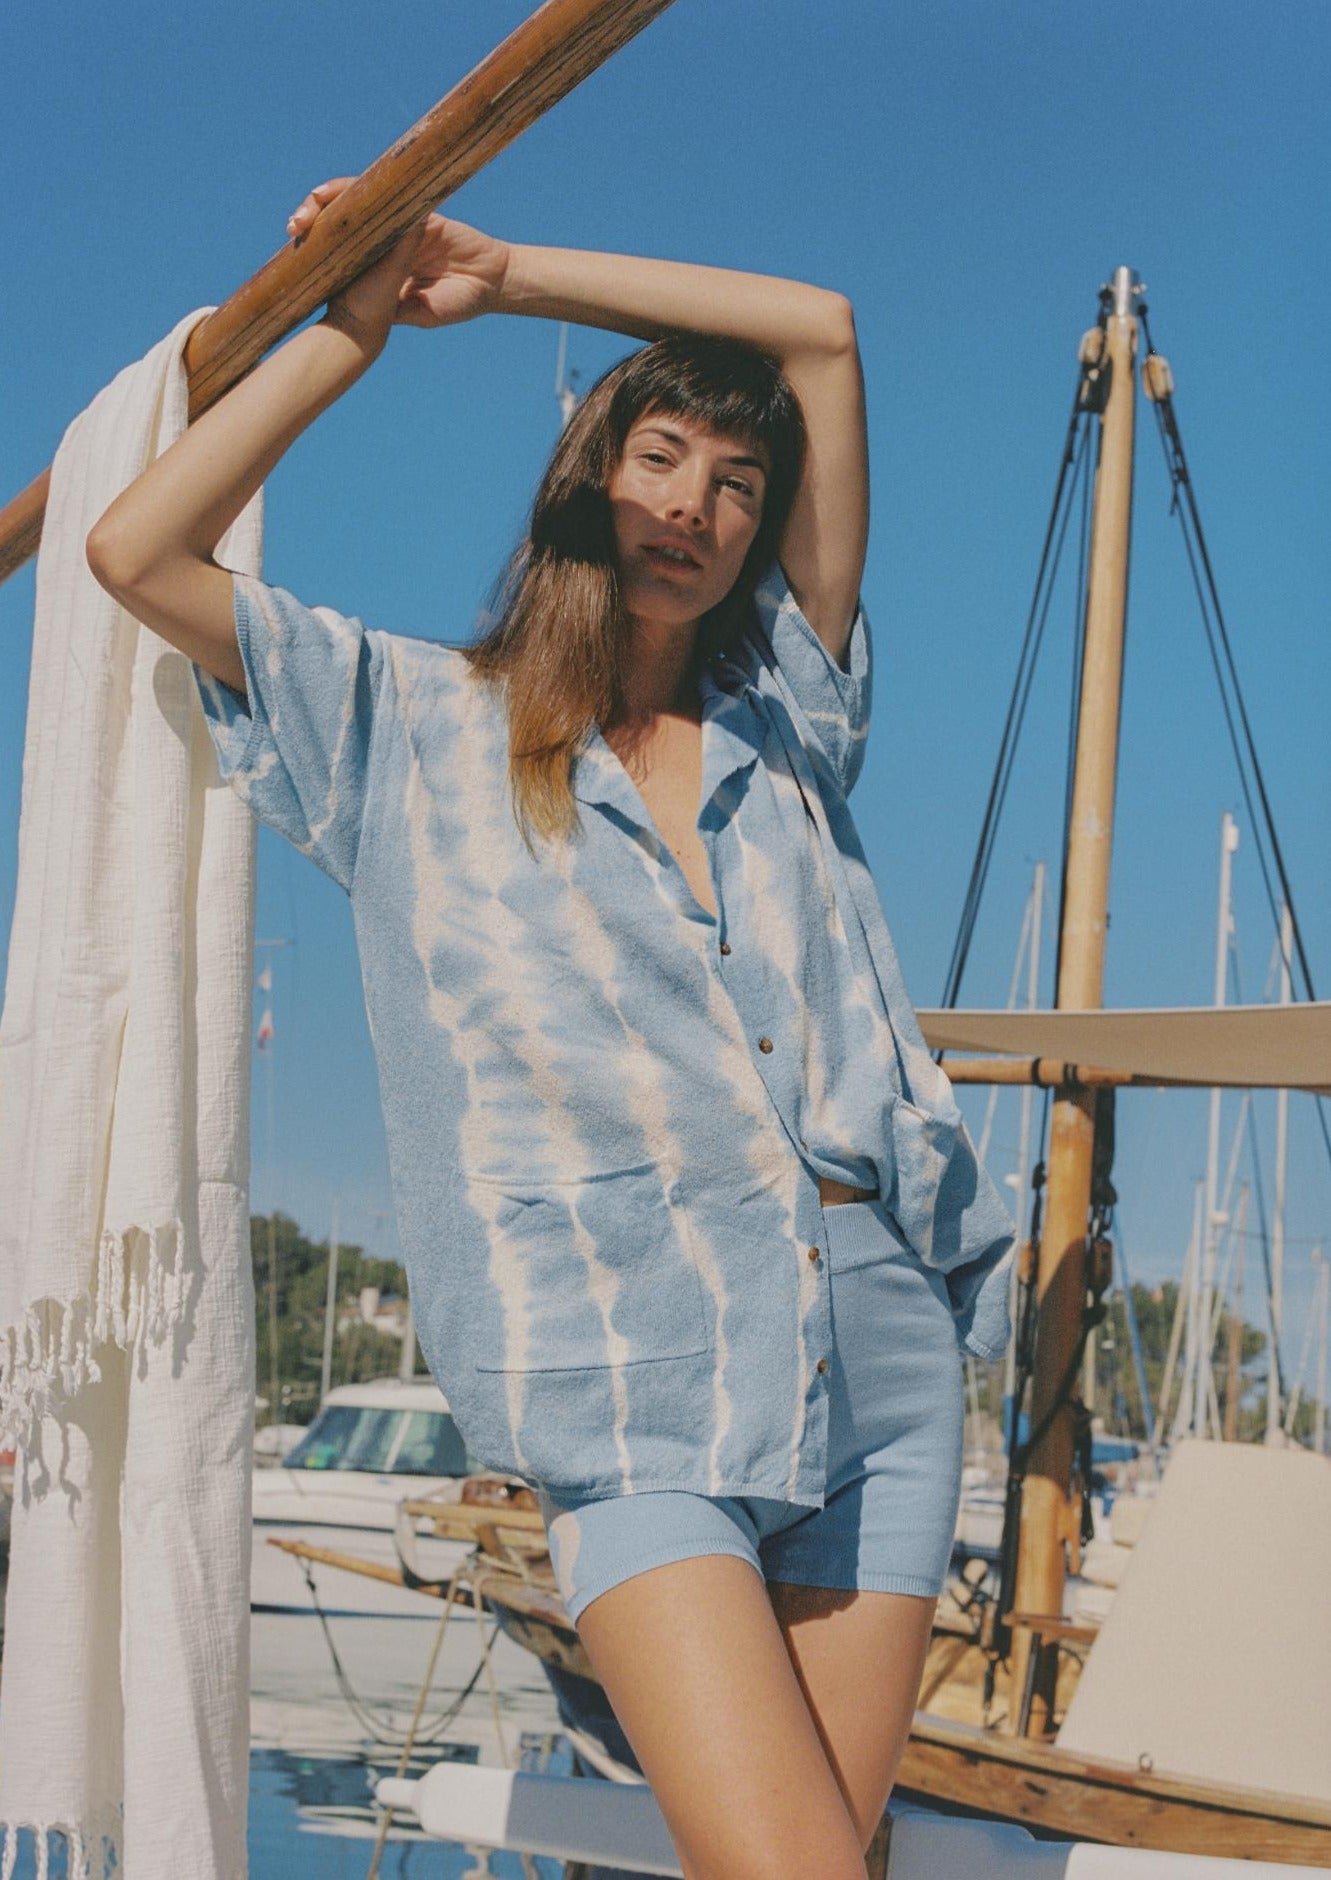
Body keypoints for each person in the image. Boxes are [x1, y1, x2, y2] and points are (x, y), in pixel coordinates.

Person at [87, 181, 1014, 1880]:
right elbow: (134, 553)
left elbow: (823, 327)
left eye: (740, 485)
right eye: (662, 457)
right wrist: (360, 324)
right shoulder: (409, 729)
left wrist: (512, 274)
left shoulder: (794, 715)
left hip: (877, 1345)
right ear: (591, 472)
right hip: (633, 1372)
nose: (702, 508)